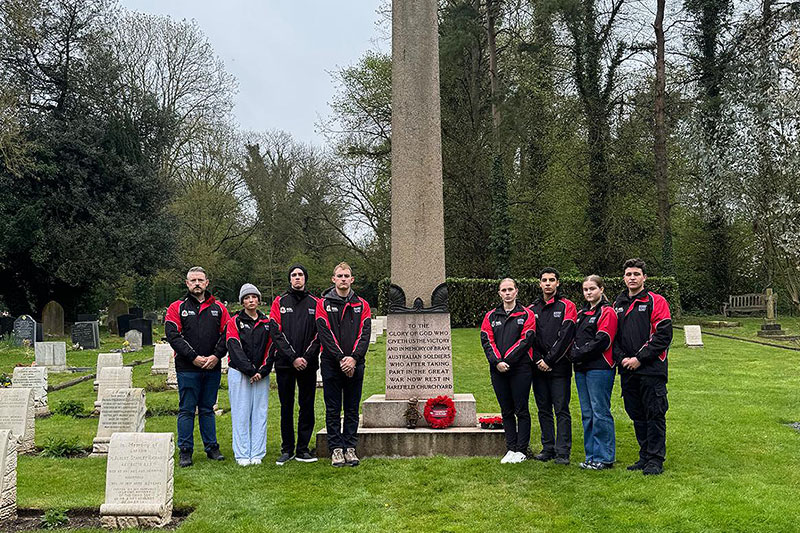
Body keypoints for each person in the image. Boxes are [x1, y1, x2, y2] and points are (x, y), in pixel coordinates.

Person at [165, 266, 230, 467]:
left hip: (211, 366)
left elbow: (227, 334)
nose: (197, 284)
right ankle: (186, 451)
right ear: (187, 283)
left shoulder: (219, 308)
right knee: (186, 409)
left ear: (207, 282)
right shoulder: (177, 307)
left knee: (207, 408)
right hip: (187, 367)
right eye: (193, 280)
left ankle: (212, 448)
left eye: (200, 280)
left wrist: (216, 356)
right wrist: (193, 357)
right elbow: (173, 335)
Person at [613, 258, 673, 475]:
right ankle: (644, 455)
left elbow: (663, 335)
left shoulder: (656, 301)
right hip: (627, 370)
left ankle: (656, 459)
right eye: (628, 274)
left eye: (636, 274)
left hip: (651, 369)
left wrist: (639, 358)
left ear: (644, 277)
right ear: (624, 278)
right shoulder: (618, 304)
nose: (632, 278)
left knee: (654, 414)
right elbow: (613, 338)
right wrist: (622, 359)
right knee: (636, 414)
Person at [316, 262, 371, 467]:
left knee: (351, 408)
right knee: (333, 408)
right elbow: (325, 333)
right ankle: (336, 449)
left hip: (355, 364)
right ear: (333, 279)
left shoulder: (362, 304)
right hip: (332, 363)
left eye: (346, 276)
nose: (343, 279)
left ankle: (350, 447)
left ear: (352, 279)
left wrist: (353, 358)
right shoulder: (323, 304)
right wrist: (341, 358)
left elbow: (364, 333)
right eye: (339, 276)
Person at [480, 278, 537, 464]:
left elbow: (526, 340)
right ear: (499, 293)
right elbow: (487, 340)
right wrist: (497, 362)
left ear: (516, 291)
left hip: (520, 368)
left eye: (510, 289)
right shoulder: (490, 316)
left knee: (521, 409)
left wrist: (508, 361)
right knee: (506, 410)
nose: (507, 293)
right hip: (497, 369)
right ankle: (510, 448)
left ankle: (521, 450)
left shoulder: (526, 314)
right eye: (503, 290)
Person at [269, 264, 320, 465]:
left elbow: (319, 333)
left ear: (305, 279)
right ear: (289, 279)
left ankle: (303, 449)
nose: (297, 278)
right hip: (285, 364)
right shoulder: (279, 302)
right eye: (294, 275)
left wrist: (306, 357)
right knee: (286, 406)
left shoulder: (316, 303)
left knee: (306, 406)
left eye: (300, 275)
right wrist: (292, 357)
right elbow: (275, 331)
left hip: (308, 364)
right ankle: (287, 448)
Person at [528, 267, 577, 465]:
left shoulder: (567, 306)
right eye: (544, 280)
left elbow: (566, 336)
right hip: (538, 368)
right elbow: (529, 338)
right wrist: (539, 360)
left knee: (561, 410)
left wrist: (549, 360)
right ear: (539, 283)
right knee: (543, 409)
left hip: (560, 367)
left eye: (552, 280)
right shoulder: (532, 309)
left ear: (558, 283)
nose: (548, 283)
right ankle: (548, 448)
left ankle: (563, 451)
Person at [570, 275, 618, 470]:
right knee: (587, 413)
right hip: (581, 369)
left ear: (601, 289)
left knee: (600, 412)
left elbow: (603, 340)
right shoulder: (581, 313)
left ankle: (604, 457)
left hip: (600, 367)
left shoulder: (607, 312)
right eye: (585, 289)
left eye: (592, 289)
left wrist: (579, 353)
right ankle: (591, 455)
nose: (589, 292)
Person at [225, 284, 272, 466]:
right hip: (240, 373)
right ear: (242, 301)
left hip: (261, 374)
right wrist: (250, 370)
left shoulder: (266, 322)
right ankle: (242, 453)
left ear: (259, 300)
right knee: (241, 413)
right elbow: (234, 346)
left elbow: (271, 348)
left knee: (260, 413)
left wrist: (262, 370)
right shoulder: (234, 321)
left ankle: (257, 453)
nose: (251, 300)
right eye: (247, 298)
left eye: (254, 297)